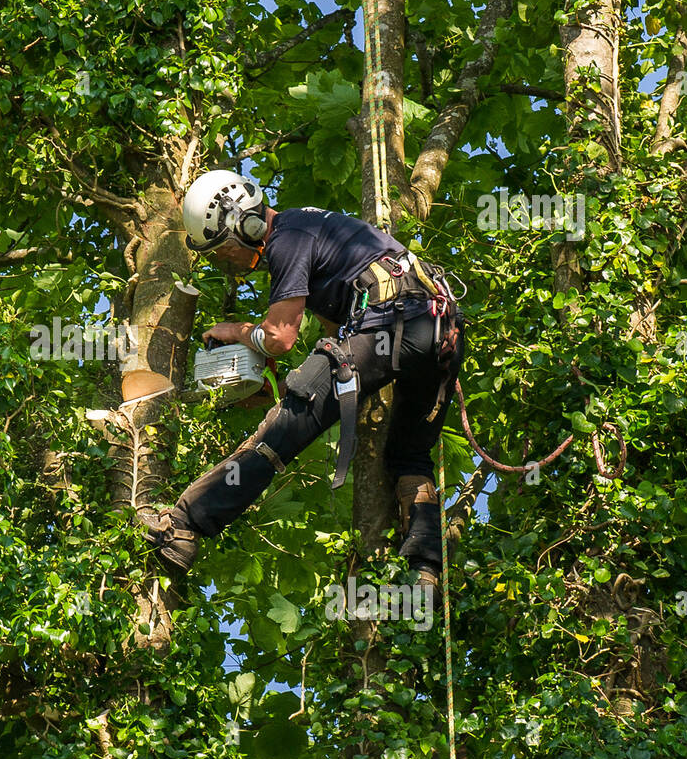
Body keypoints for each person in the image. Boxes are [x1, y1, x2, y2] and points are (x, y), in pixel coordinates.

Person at [143, 170, 466, 605]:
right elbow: (339, 333)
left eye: (225, 251)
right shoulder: (316, 230)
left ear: (245, 225)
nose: (230, 261)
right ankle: (425, 571)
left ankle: (184, 524)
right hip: (441, 334)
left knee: (286, 427)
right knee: (410, 457)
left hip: (396, 320)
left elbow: (280, 335)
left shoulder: (286, 237)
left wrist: (239, 332)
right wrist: (282, 374)